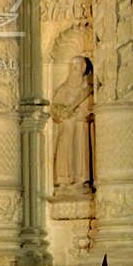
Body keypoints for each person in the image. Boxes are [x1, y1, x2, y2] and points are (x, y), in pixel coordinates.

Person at [50, 55, 94, 189]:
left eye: (77, 65)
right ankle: (63, 180)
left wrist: (79, 113)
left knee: (79, 152)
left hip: (80, 126)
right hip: (66, 127)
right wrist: (62, 112)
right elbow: (55, 107)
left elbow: (90, 107)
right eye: (72, 65)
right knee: (64, 151)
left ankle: (80, 180)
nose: (74, 67)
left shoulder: (86, 89)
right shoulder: (63, 88)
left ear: (83, 68)